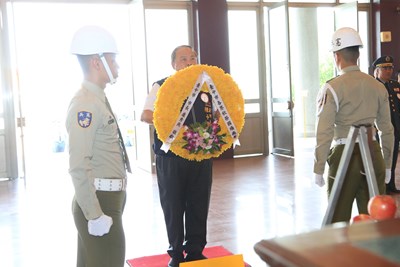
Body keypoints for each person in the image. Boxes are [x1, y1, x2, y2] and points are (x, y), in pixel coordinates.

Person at [141, 45, 213, 267]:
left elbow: (217, 115)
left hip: (200, 156)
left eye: (193, 57)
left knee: (199, 204)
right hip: (171, 157)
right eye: (183, 59)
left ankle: (194, 251)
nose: (189, 62)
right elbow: (146, 115)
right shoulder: (162, 86)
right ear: (174, 64)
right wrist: (176, 126)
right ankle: (175, 253)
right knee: (173, 205)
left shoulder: (207, 87)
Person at [313, 27, 394, 224]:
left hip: (343, 155)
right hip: (373, 153)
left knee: (337, 221)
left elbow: (324, 131)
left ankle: (339, 255)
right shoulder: (378, 86)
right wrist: (388, 164)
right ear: (357, 55)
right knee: (375, 221)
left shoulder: (332, 87)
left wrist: (318, 166)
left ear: (336, 55)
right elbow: (387, 129)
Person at [66, 25, 130, 267]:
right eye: (113, 60)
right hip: (99, 201)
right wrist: (94, 214)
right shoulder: (86, 104)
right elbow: (78, 165)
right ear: (96, 62)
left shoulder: (97, 98)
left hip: (107, 197)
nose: (117, 67)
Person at [372, 55, 400, 193]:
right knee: (381, 158)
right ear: (377, 70)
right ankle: (380, 185)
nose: (389, 71)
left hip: (395, 128)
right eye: (385, 68)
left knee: (392, 156)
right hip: (380, 129)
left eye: (390, 68)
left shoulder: (395, 85)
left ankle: (390, 185)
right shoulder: (373, 87)